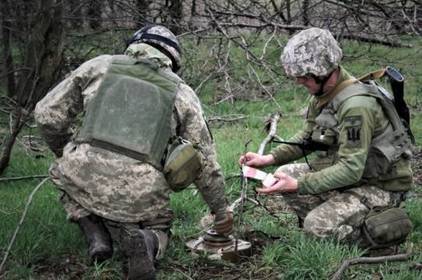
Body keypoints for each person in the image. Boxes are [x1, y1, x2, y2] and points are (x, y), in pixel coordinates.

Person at [35, 24, 233, 279]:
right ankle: (150, 240)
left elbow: (46, 115)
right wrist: (220, 210)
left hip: (82, 176)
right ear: (172, 60)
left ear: (134, 45)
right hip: (140, 194)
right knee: (159, 223)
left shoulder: (100, 66)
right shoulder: (182, 93)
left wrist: (65, 150)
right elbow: (204, 162)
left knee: (64, 175)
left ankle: (94, 231)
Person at [239, 27, 413, 249]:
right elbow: (308, 137)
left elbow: (351, 168)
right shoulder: (324, 93)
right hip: (358, 176)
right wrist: (269, 159)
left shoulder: (356, 107)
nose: (299, 83)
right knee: (282, 174)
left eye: (304, 78)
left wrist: (300, 184)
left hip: (380, 186)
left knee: (316, 226)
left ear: (322, 72)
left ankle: (378, 229)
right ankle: (338, 216)